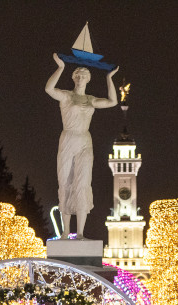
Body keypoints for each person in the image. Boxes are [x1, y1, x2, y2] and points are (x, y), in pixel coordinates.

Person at [45, 53, 118, 238]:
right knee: (65, 181)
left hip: (85, 141)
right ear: (73, 77)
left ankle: (81, 233)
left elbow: (113, 102)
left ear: (88, 80)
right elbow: (49, 89)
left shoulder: (91, 99)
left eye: (84, 76)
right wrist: (60, 68)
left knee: (83, 183)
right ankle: (65, 232)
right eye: (77, 75)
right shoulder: (66, 96)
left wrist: (109, 79)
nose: (80, 78)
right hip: (68, 138)